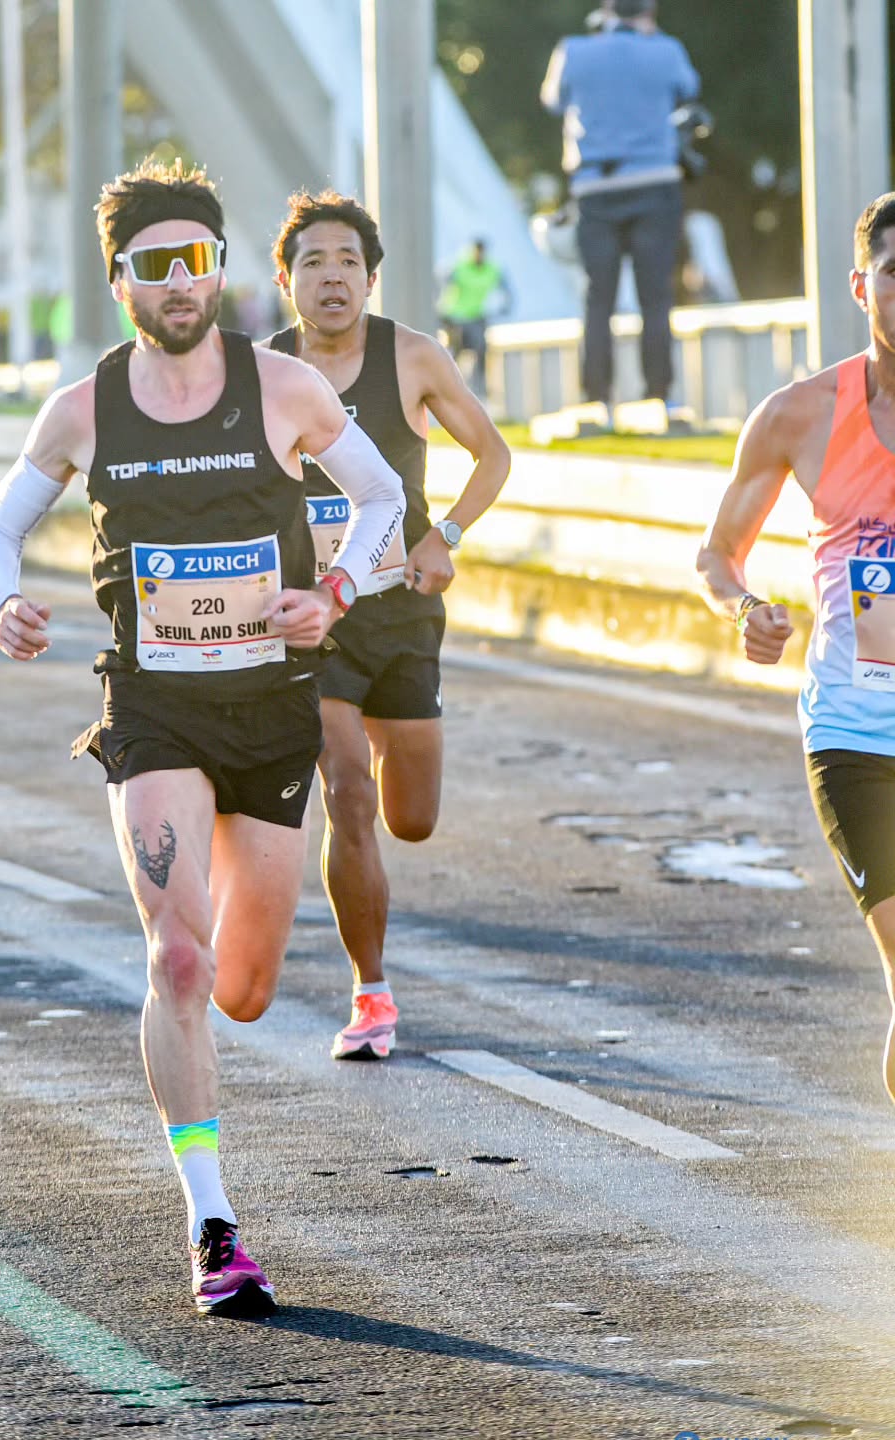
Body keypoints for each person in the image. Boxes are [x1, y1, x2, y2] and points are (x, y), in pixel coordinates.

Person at [0, 158, 405, 1316]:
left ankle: (225, 1023)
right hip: (151, 706)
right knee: (177, 959)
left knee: (247, 988)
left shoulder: (284, 392)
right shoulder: (83, 409)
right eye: (155, 266)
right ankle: (214, 1227)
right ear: (120, 283)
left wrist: (341, 592)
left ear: (219, 269)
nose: (179, 282)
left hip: (268, 715)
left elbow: (382, 502)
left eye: (197, 260)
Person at [266, 192, 510, 1061]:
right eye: (312, 263)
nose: (331, 277)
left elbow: (494, 453)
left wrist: (443, 535)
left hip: (403, 614)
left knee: (412, 819)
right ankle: (371, 994)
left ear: (371, 276)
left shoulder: (412, 357)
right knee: (347, 795)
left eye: (346, 262)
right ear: (285, 279)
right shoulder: (262, 375)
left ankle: (381, 780)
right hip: (312, 621)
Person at [698, 191, 895, 1109]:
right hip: (858, 736)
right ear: (863, 285)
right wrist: (747, 609)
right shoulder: (800, 414)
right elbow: (718, 555)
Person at [541, 0, 700, 414]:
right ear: (649, 11)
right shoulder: (667, 49)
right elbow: (688, 90)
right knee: (656, 296)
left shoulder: (574, 49)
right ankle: (659, 395)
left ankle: (597, 398)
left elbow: (553, 100)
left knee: (598, 298)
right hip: (656, 182)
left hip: (596, 187)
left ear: (604, 11)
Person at [436, 238, 512, 399]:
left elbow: (506, 289)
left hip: (476, 316)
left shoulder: (492, 269)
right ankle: (446, 386)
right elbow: (440, 282)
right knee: (455, 351)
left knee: (481, 349)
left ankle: (478, 389)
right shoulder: (458, 267)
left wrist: (505, 307)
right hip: (455, 316)